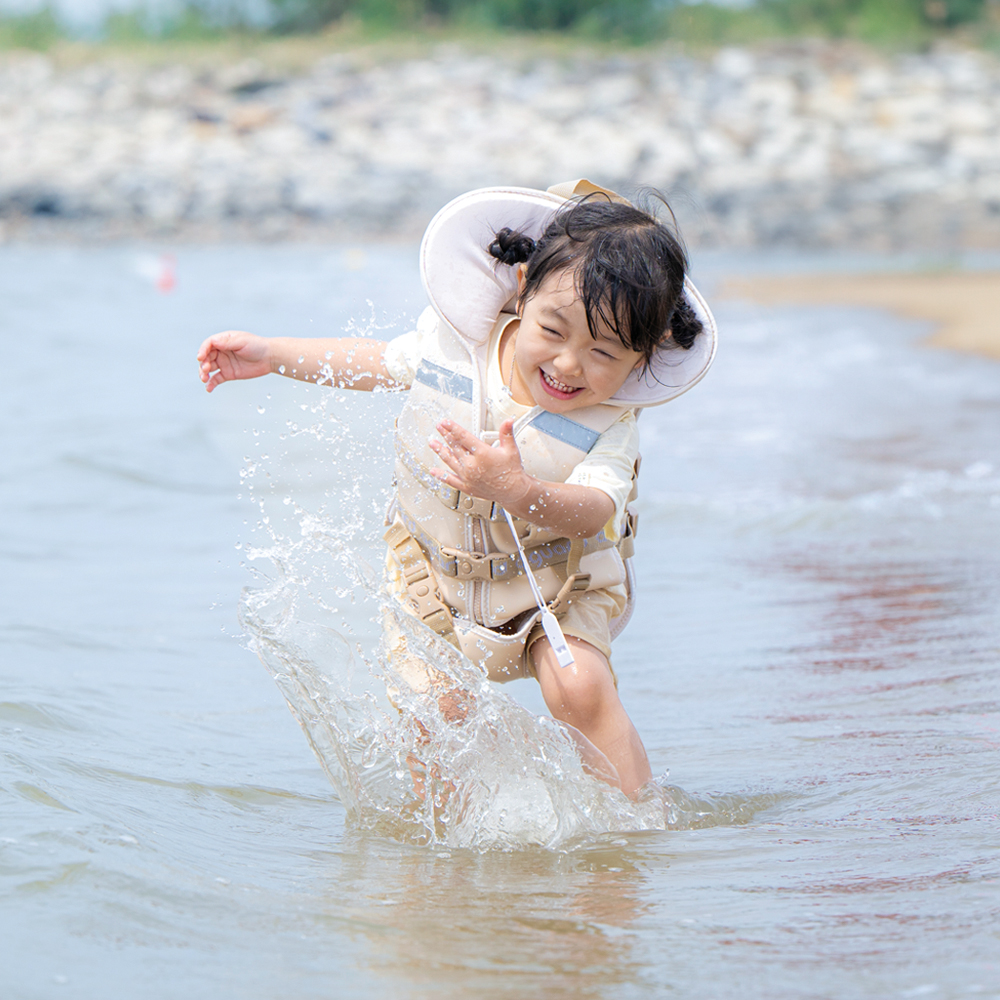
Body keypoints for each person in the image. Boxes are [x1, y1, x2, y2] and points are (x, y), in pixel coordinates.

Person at [197, 181, 717, 799]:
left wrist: (519, 489)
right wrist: (271, 353)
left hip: (559, 584)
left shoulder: (609, 422)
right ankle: (443, 864)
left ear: (643, 356)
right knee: (434, 715)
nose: (570, 364)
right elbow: (373, 361)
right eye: (554, 331)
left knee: (577, 687)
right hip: (433, 580)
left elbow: (597, 510)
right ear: (523, 289)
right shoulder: (455, 347)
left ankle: (634, 833)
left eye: (603, 352)